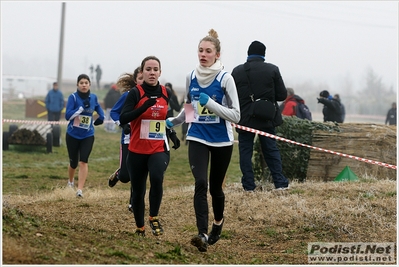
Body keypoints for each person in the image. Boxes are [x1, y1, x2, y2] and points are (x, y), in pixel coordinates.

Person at [166, 29, 240, 252]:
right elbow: (190, 107)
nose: (203, 55)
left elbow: (236, 115)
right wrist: (175, 121)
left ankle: (218, 222)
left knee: (216, 188)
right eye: (200, 50)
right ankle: (202, 234)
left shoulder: (226, 79)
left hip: (221, 140)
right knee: (201, 184)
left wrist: (212, 105)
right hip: (197, 136)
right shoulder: (191, 76)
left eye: (208, 51)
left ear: (217, 55)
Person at [119, 56, 180, 237]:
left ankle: (153, 217)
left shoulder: (165, 92)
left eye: (155, 69)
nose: (152, 73)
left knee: (156, 176)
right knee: (137, 193)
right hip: (137, 150)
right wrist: (142, 107)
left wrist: (172, 134)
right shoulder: (135, 93)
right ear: (142, 72)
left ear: (160, 72)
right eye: (148, 69)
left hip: (158, 147)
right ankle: (140, 228)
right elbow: (123, 118)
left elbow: (165, 119)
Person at [231, 40, 289, 193]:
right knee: (271, 150)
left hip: (245, 118)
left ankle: (249, 186)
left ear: (248, 53)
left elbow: (230, 95)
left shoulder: (237, 71)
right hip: (266, 117)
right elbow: (282, 95)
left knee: (245, 152)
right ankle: (280, 183)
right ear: (264, 54)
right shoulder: (272, 70)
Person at [108, 66, 143, 213]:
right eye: (140, 78)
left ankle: (133, 202)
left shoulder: (154, 96)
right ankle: (119, 173)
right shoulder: (129, 95)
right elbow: (114, 112)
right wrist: (122, 124)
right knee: (125, 176)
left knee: (139, 173)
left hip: (144, 140)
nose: (143, 80)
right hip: (128, 140)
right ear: (135, 80)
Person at [65, 74, 105, 197]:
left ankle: (79, 190)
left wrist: (101, 117)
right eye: (81, 83)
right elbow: (68, 116)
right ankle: (71, 181)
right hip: (73, 134)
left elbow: (98, 107)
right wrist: (81, 109)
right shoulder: (73, 97)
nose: (84, 85)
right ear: (77, 85)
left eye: (86, 83)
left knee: (83, 161)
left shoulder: (93, 97)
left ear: (89, 85)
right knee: (73, 162)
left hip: (88, 134)